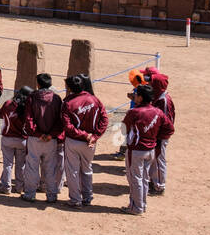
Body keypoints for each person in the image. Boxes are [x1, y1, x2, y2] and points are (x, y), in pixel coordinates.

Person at [121, 84, 174, 215]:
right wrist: (156, 138)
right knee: (144, 178)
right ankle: (142, 205)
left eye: (136, 94)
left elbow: (123, 129)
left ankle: (136, 207)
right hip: (150, 150)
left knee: (135, 179)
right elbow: (169, 129)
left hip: (136, 150)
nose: (134, 97)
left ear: (140, 97)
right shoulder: (158, 112)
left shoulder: (134, 112)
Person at [61, 73, 108, 207]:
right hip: (90, 142)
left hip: (74, 141)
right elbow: (104, 119)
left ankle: (75, 199)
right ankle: (87, 196)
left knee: (73, 171)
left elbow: (68, 126)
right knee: (87, 169)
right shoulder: (95, 99)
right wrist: (94, 136)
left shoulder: (68, 103)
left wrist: (84, 135)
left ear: (69, 88)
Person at [21, 73, 64, 203]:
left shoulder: (32, 98)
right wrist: (52, 134)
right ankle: (51, 195)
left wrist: (38, 133)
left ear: (38, 84)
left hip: (35, 138)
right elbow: (60, 120)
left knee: (32, 166)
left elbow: (29, 119)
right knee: (50, 167)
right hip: (51, 139)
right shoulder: (56, 99)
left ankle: (30, 193)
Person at [145, 69, 175, 196]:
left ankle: (159, 185)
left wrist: (157, 135)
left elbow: (165, 122)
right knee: (154, 159)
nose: (149, 85)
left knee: (159, 159)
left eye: (152, 83)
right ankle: (154, 181)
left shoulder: (164, 101)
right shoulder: (159, 98)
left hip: (160, 136)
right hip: (156, 135)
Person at [0, 86, 32, 194]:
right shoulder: (27, 108)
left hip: (7, 138)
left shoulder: (8, 103)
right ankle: (19, 187)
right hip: (22, 140)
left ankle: (6, 187)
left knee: (8, 164)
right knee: (21, 165)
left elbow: (0, 115)